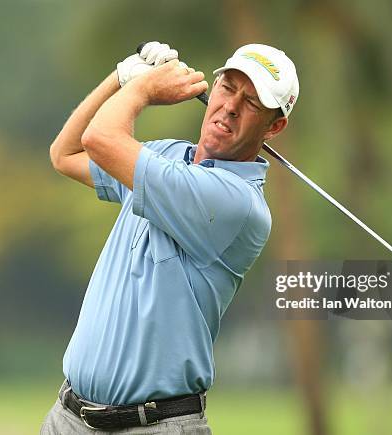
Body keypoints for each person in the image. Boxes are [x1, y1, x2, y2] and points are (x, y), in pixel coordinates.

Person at [42, 41, 299, 434]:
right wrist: (120, 77)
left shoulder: (237, 204)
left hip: (156, 425)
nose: (230, 105)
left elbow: (101, 140)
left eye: (251, 103)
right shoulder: (166, 155)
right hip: (69, 418)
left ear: (274, 126)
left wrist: (141, 91)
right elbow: (66, 153)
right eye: (228, 87)